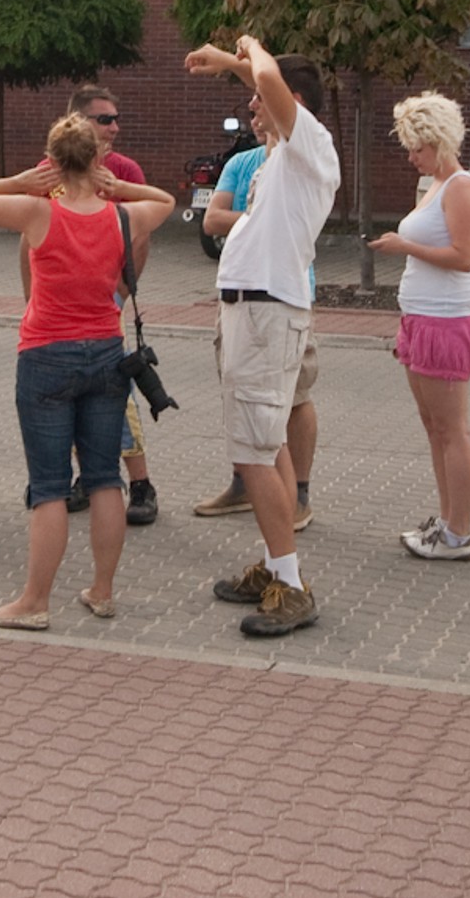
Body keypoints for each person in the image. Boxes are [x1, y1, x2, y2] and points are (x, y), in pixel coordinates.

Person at [0, 114, 175, 629]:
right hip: (106, 351)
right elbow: (165, 202)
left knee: (49, 485)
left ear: (50, 162)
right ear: (97, 160)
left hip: (47, 353)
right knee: (104, 479)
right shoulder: (122, 217)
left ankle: (34, 601)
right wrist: (119, 186)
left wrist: (20, 182)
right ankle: (102, 589)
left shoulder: (36, 212)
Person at [186, 36, 340, 638]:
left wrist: (237, 52)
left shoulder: (311, 145)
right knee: (264, 442)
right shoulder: (279, 157)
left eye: (258, 99)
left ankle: (293, 587)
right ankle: (278, 565)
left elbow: (272, 82)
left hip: (269, 312)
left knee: (253, 453)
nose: (251, 108)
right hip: (253, 309)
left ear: (290, 102)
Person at [19, 85, 161, 526]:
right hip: (55, 322)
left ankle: (140, 483)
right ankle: (86, 480)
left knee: (120, 403)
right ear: (79, 122)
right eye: (104, 120)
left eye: (116, 119)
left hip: (101, 316)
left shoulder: (123, 171)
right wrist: (33, 303)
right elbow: (29, 242)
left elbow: (141, 237)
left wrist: (120, 293)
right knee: (77, 407)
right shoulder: (47, 175)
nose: (114, 128)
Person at [367, 92, 470, 561]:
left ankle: (459, 531)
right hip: (419, 317)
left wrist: (404, 247)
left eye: (417, 147)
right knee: (434, 425)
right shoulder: (434, 186)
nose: (411, 156)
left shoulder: (461, 187)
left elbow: (464, 257)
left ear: (438, 140)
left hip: (446, 319)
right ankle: (446, 519)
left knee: (452, 428)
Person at [193, 112, 318, 531]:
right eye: (252, 113)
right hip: (237, 295)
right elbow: (212, 220)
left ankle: (297, 493)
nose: (256, 118)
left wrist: (250, 221)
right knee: (239, 395)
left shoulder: (299, 162)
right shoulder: (239, 164)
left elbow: (293, 225)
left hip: (283, 297)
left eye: (264, 107)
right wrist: (264, 221)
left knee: (294, 395)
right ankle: (244, 482)